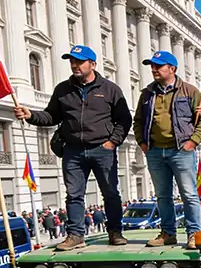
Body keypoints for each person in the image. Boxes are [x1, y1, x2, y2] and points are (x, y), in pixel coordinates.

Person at [14, 45, 131, 251]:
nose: (74, 65)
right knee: (74, 194)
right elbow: (51, 116)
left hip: (102, 149)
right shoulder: (63, 89)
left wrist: (112, 142)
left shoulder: (110, 89)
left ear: (92, 64)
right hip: (73, 151)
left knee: (111, 193)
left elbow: (124, 119)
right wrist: (31, 115)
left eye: (79, 61)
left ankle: (115, 232)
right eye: (72, 61)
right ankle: (75, 235)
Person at [133, 50, 201, 250]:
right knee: (162, 195)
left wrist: (192, 143)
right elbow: (139, 120)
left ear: (172, 68)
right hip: (155, 152)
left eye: (158, 66)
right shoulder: (148, 93)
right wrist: (142, 142)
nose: (154, 70)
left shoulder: (190, 91)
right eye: (152, 66)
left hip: (181, 151)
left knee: (189, 194)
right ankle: (168, 233)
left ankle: (194, 233)